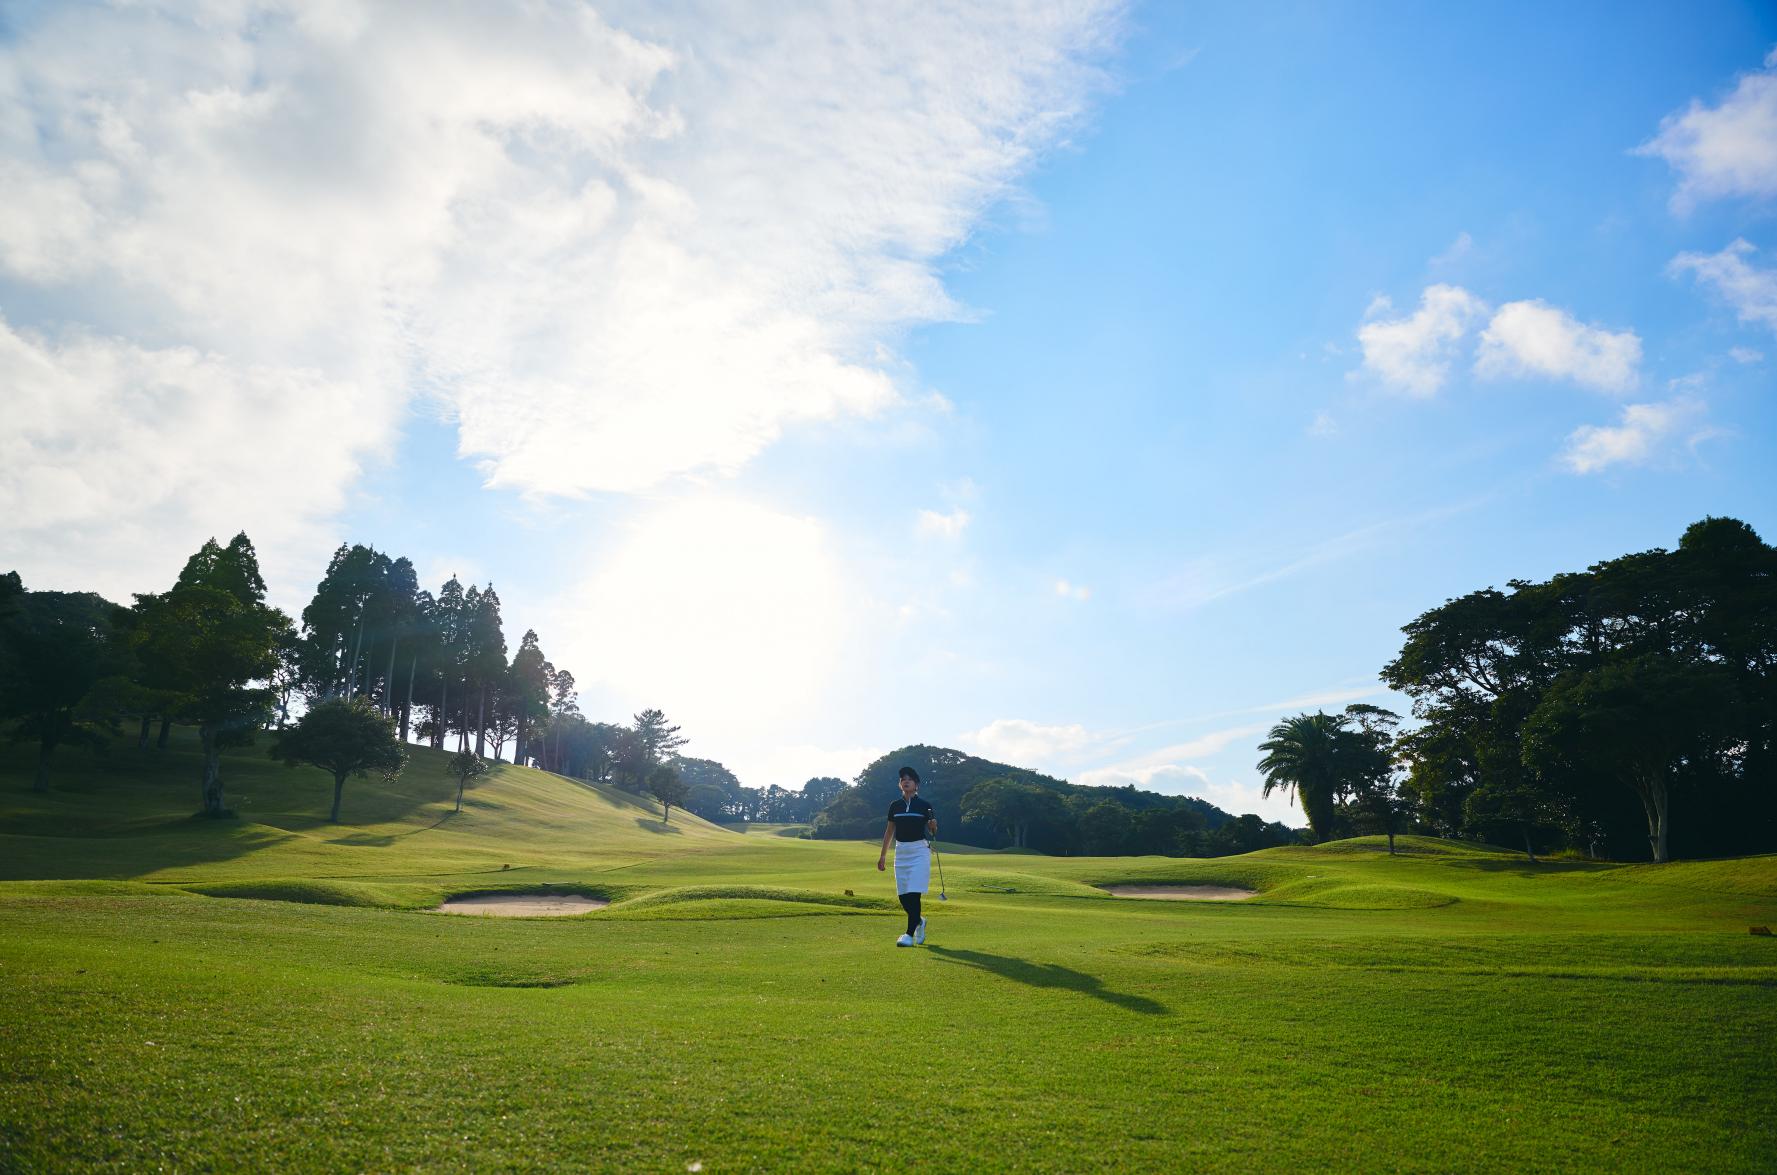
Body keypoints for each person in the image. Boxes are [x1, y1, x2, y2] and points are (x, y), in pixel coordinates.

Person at [877, 765, 936, 946]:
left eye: (909, 779)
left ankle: (909, 934)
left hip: (919, 851)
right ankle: (919, 921)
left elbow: (933, 831)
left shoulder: (924, 806)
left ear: (916, 784)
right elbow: (889, 832)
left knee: (914, 893)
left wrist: (933, 826)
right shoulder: (895, 806)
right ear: (900, 784)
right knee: (903, 896)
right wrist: (883, 856)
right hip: (901, 852)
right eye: (903, 779)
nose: (906, 781)